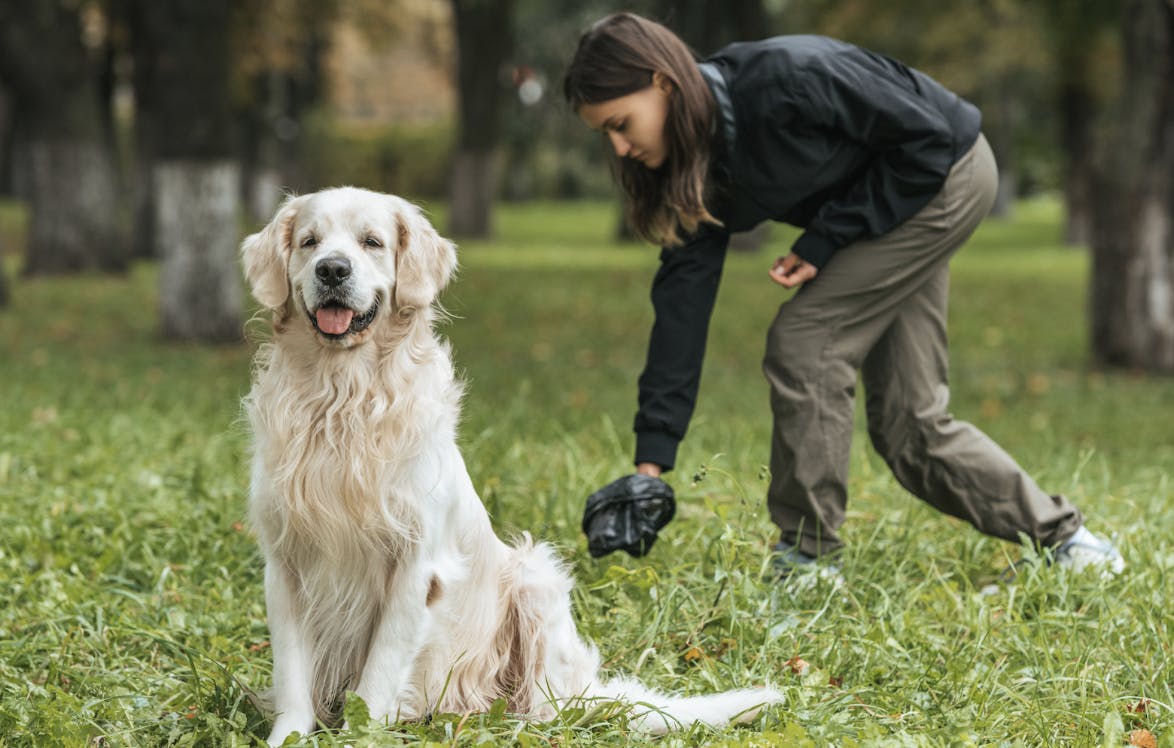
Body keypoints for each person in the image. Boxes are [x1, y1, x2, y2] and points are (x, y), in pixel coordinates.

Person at [564, 12, 1124, 580]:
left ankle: (806, 561)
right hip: (889, 201)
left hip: (944, 174)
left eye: (621, 124)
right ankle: (1072, 544)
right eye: (605, 134)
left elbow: (928, 140)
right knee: (910, 425)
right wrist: (650, 470)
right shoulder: (694, 166)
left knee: (806, 342)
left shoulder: (788, 80)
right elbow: (681, 309)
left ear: (663, 83)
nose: (620, 147)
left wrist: (825, 239)